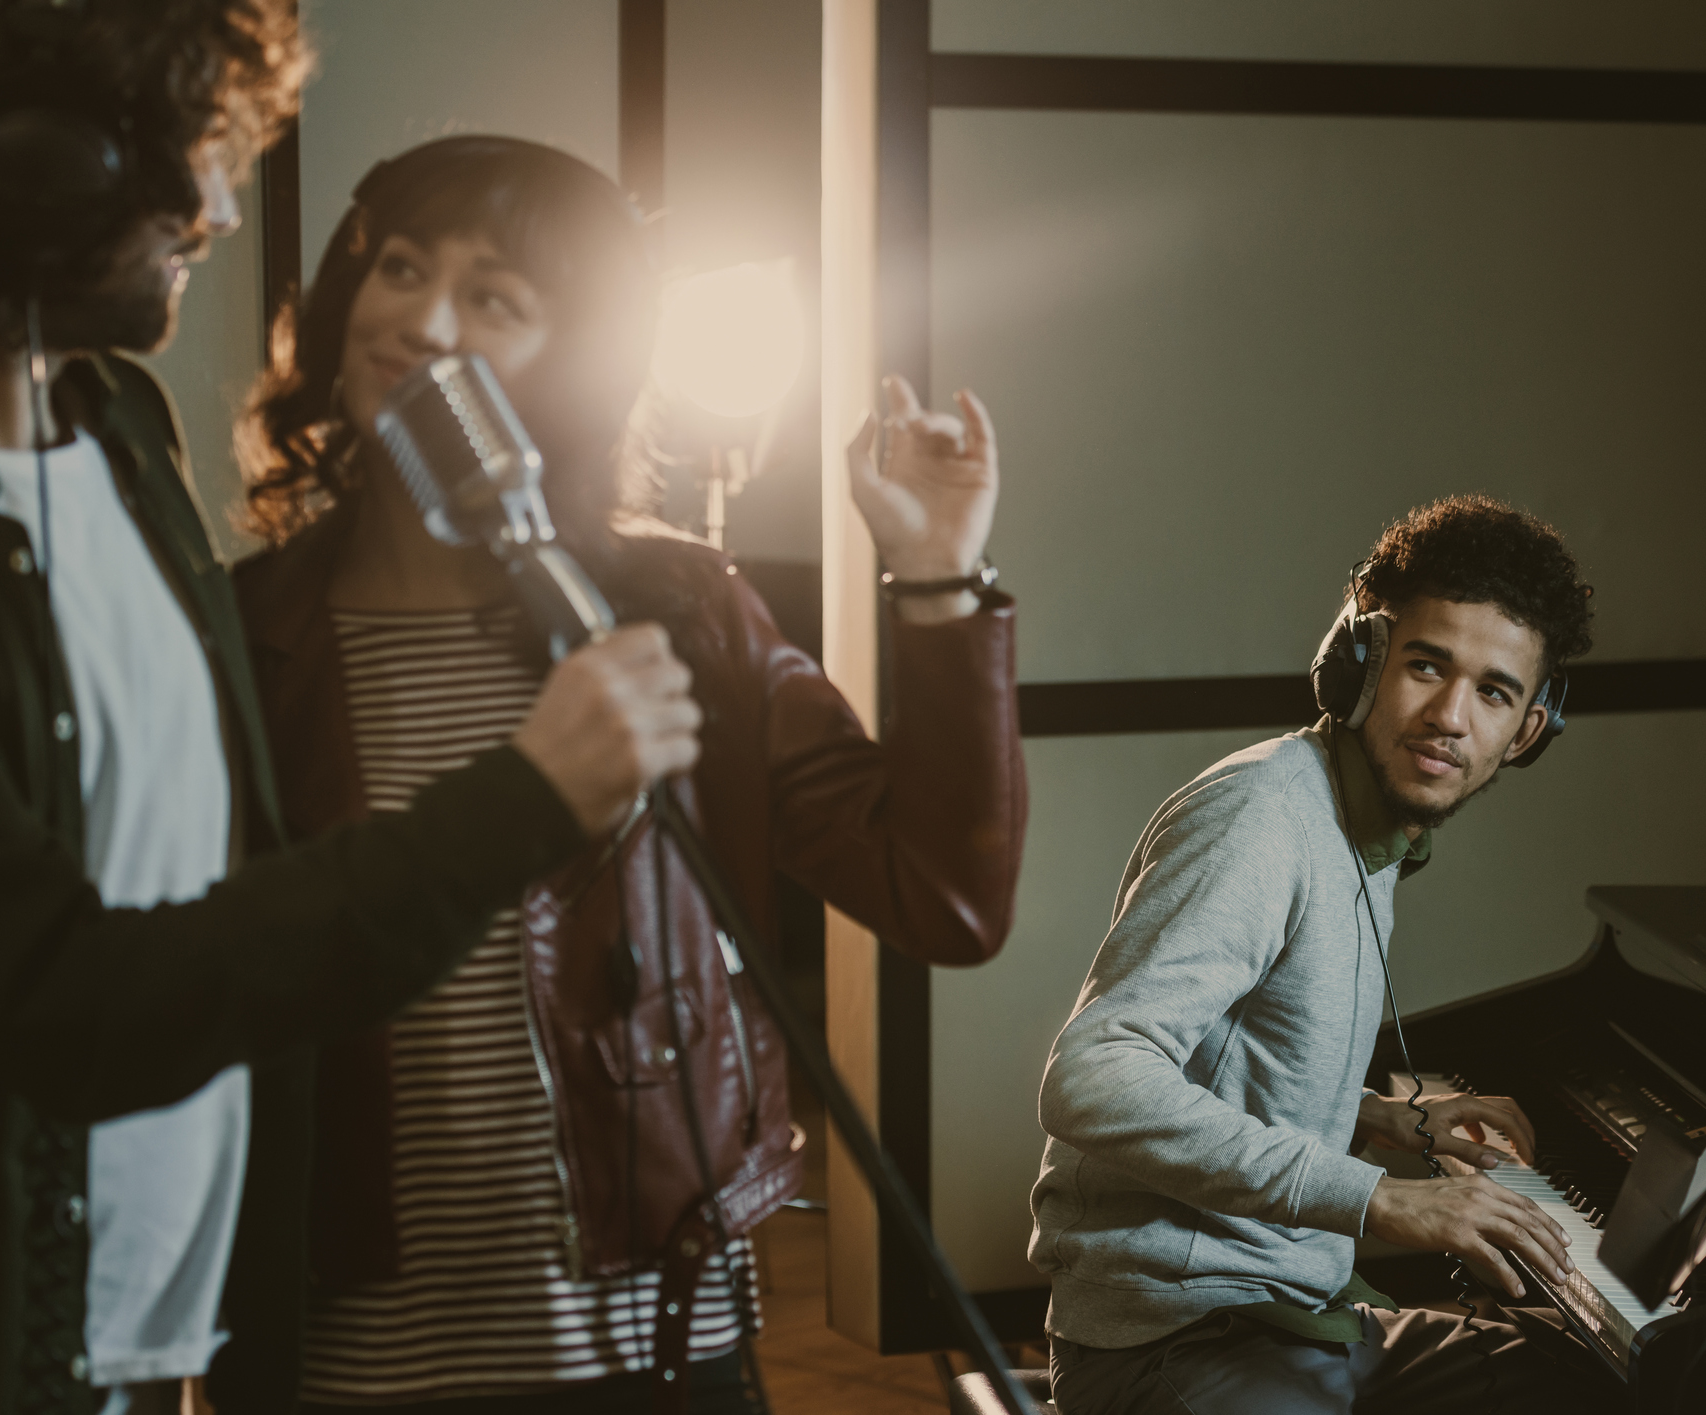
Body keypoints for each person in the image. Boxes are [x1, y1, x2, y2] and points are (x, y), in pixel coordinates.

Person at [0, 8, 705, 1413]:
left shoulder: (122, 429)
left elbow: (225, 894)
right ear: (35, 160)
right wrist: (515, 802)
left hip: (179, 1329)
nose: (217, 207)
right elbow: (52, 994)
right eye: (195, 152)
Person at [226, 135, 1026, 1412]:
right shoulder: (243, 634)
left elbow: (941, 894)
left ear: (575, 358)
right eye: (398, 267)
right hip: (350, 1351)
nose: (422, 320)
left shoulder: (678, 611)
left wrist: (936, 579)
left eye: (492, 297)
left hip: (648, 1338)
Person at [1028, 496, 1603, 1414]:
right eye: (1426, 665)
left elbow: (1231, 1059)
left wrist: (1386, 1118)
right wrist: (1383, 1197)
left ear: (1527, 731)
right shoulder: (1262, 818)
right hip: (1174, 1335)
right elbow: (1094, 1074)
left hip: (1295, 1311)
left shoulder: (1375, 831)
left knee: (1609, 1383)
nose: (1451, 716)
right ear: (1359, 663)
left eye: (1494, 691)